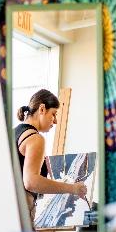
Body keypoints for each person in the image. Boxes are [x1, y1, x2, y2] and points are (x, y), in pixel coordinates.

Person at [15, 89, 87, 223]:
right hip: (20, 211)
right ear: (42, 109)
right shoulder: (35, 138)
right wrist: (73, 188)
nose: (55, 121)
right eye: (53, 114)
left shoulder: (14, 133)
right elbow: (31, 182)